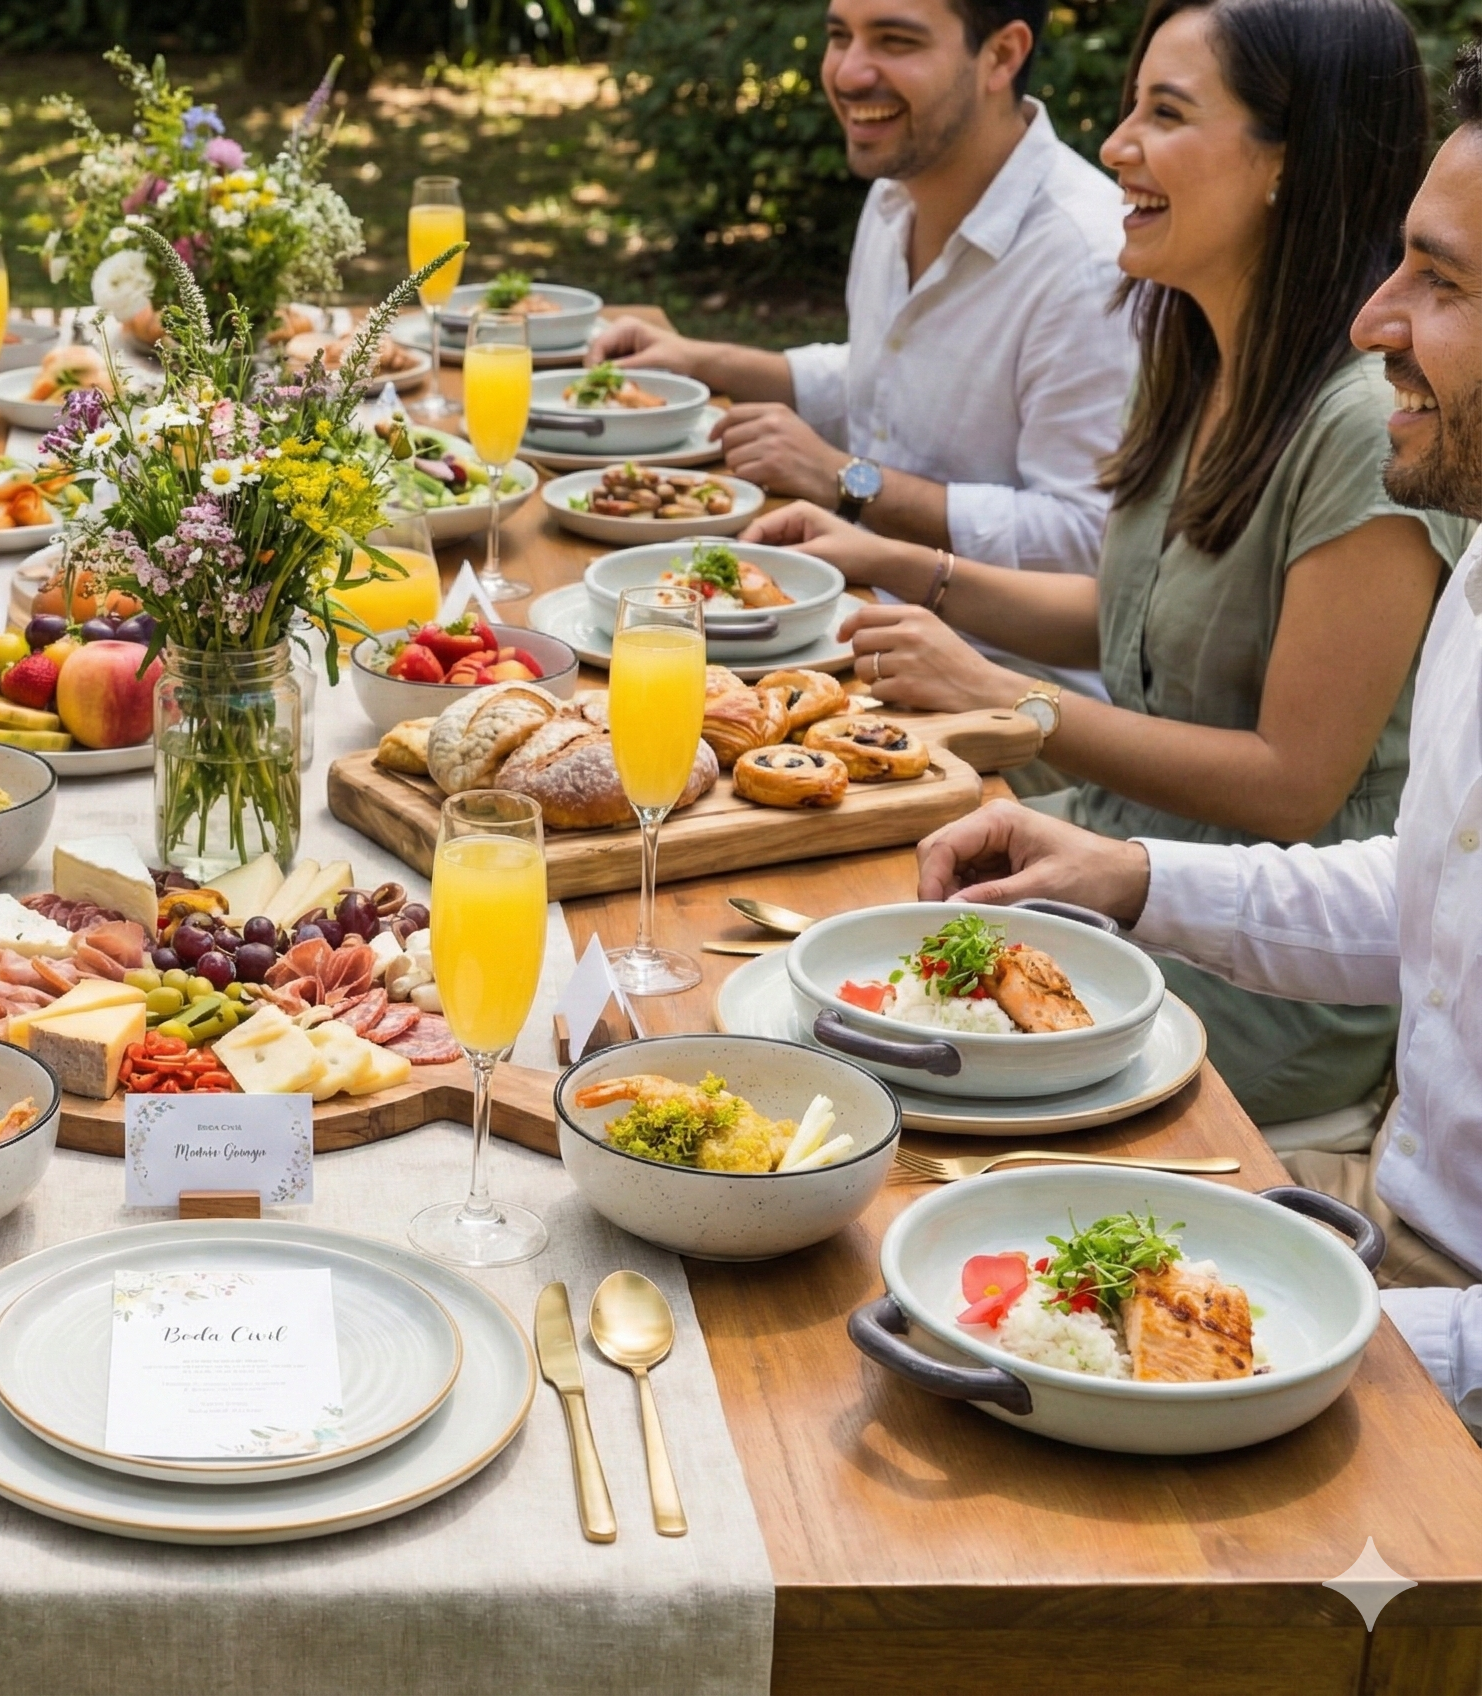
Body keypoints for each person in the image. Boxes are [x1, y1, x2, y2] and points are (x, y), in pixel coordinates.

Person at [748, 0, 1463, 1129]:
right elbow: (1133, 616)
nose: (1114, 145)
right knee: (793, 932)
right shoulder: (1191, 347)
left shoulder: (1365, 426)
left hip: (1260, 981)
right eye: (1129, 105)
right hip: (1105, 856)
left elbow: (1291, 777)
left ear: (1290, 161)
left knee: (832, 1045)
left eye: (1163, 113)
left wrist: (1005, 700)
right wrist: (892, 559)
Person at [907, 36, 1482, 1422]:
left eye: (1447, 285)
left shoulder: (1360, 439)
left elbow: (1298, 785)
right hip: (1401, 1255)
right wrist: (1133, 877)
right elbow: (1432, 889)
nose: (1375, 321)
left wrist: (1354, 1350)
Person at [593, 0, 1136, 653]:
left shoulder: (1092, 263)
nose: (848, 73)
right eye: (838, 35)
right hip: (851, 616)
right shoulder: (897, 191)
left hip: (1004, 684)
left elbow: (1088, 540)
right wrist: (699, 360)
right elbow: (887, 374)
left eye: (894, 41)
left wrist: (851, 483)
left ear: (1001, 55)